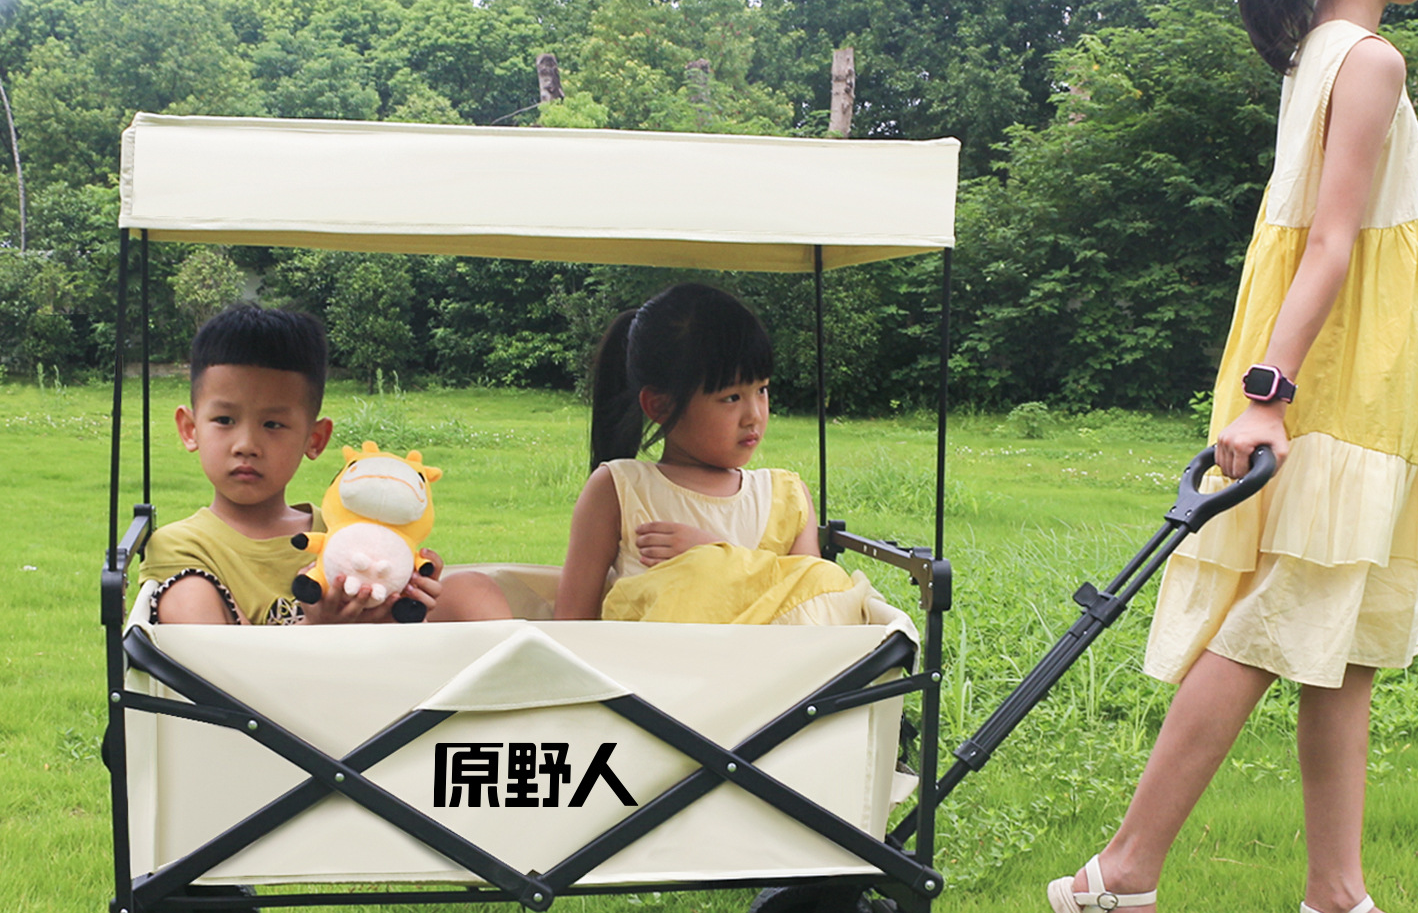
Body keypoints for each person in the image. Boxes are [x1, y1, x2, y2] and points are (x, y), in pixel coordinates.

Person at [1048, 0, 1418, 913]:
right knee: (1280, 620)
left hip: (1370, 389)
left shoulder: (1322, 52)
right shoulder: (1367, 62)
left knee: (1348, 632)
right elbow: (1329, 244)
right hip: (1343, 386)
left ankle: (1338, 891)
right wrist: (1269, 394)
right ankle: (1115, 877)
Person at [144, 302, 509, 624]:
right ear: (190, 429)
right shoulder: (183, 546)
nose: (246, 445)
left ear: (315, 439)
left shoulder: (350, 530)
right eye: (224, 420)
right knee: (184, 593)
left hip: (384, 676)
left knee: (472, 590)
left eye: (273, 424)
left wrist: (406, 605)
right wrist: (320, 629)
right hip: (255, 682)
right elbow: (213, 665)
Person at [554, 281, 886, 627]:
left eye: (762, 390)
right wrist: (701, 570)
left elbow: (815, 605)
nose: (754, 415)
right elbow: (570, 624)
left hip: (777, 663)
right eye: (731, 397)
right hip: (655, 661)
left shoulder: (785, 498)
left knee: (826, 576)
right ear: (660, 406)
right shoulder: (620, 490)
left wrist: (720, 555)